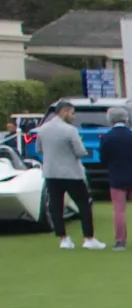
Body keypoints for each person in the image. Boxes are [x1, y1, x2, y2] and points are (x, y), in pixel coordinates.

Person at [37, 99, 103, 249]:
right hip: (71, 173)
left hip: (51, 173)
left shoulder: (43, 129)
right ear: (64, 112)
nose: (73, 117)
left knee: (56, 206)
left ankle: (63, 239)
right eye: (72, 114)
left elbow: (39, 149)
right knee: (84, 205)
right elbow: (80, 151)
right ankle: (88, 238)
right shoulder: (70, 130)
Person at [98, 105, 132, 249]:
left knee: (119, 210)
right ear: (126, 118)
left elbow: (103, 158)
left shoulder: (107, 138)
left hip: (117, 177)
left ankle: (120, 241)